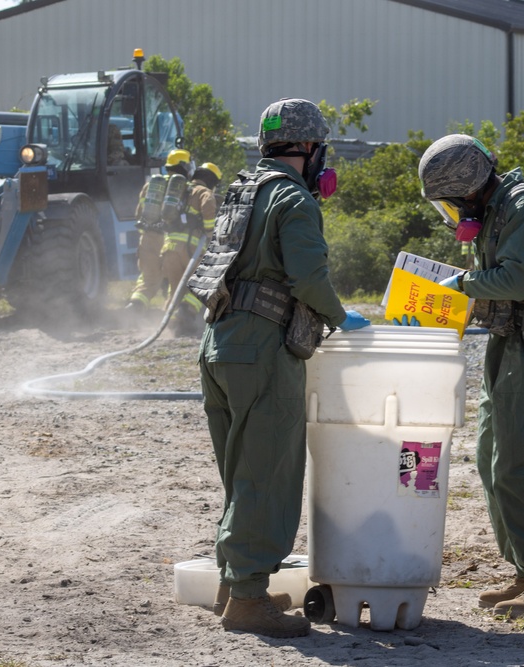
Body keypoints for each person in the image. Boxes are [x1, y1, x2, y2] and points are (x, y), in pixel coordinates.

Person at [193, 98, 370, 638]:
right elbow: (309, 280)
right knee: (266, 473)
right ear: (310, 148)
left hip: (218, 346)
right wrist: (341, 317)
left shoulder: (242, 190)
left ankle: (234, 583)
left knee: (241, 472)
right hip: (264, 350)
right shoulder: (293, 199)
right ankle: (248, 601)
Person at [417, 134, 524, 620]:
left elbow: (515, 279)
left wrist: (461, 284)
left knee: (518, 464)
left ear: (468, 188)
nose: (451, 210)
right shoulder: (495, 211)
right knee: (492, 457)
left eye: (451, 199)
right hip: (514, 345)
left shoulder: (522, 205)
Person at [126, 149, 193, 313]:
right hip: (173, 240)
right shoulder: (186, 188)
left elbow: (139, 214)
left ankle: (134, 307)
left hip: (149, 238)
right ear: (184, 166)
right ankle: (174, 317)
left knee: (149, 279)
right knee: (176, 280)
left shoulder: (151, 186)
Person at [162, 161, 221, 336]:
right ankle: (185, 315)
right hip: (190, 249)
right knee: (199, 286)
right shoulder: (204, 192)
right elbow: (209, 211)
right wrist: (211, 234)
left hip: (169, 248)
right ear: (211, 180)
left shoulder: (181, 191)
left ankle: (172, 326)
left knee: (175, 289)